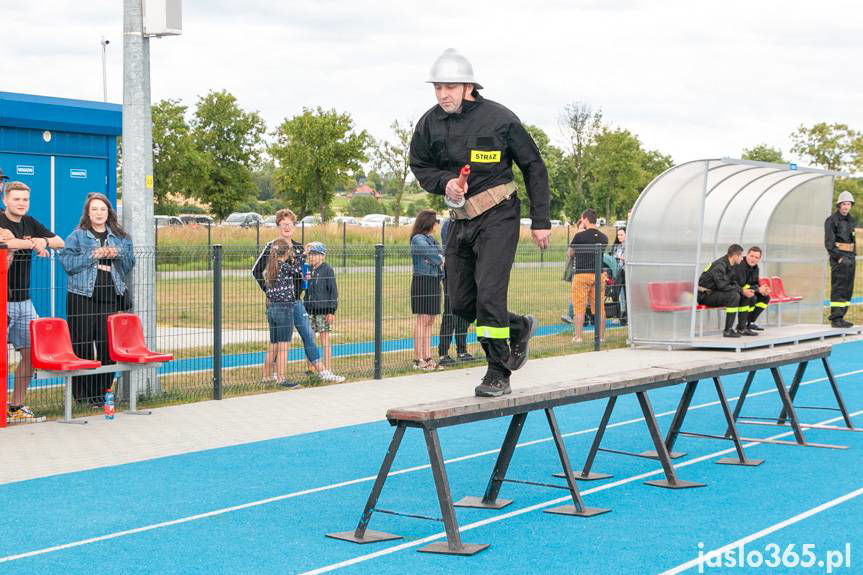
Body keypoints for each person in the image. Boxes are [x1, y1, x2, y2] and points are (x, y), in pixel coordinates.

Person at [409, 48, 549, 397]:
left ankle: (497, 371)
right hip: (460, 219)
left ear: (468, 86)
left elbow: (533, 165)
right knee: (458, 302)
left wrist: (540, 219)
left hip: (499, 216)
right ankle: (517, 325)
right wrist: (446, 183)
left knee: (489, 295)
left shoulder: (499, 119)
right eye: (438, 87)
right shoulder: (429, 123)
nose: (443, 94)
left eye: (450, 87)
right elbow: (420, 165)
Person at [252, 209, 345, 385]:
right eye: (283, 224)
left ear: (294, 225)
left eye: (290, 224)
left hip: (296, 300)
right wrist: (269, 291)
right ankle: (270, 375)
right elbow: (255, 271)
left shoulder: (300, 247)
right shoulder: (273, 246)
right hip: (279, 303)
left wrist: (305, 281)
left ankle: (322, 371)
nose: (287, 227)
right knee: (278, 341)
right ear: (278, 226)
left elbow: (303, 271)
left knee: (308, 334)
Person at [59, 193, 135, 406]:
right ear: (88, 213)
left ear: (109, 212)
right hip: (81, 296)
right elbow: (67, 263)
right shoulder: (78, 235)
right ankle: (82, 397)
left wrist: (116, 253)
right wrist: (94, 255)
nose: (99, 213)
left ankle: (100, 394)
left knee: (106, 346)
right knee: (81, 345)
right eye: (94, 209)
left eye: (102, 209)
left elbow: (129, 264)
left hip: (110, 295)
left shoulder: (121, 237)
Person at [0, 181, 65, 423]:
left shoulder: (30, 222)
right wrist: (32, 243)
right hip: (2, 300)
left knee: (30, 354)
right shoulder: (0, 220)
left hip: (23, 301)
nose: (21, 203)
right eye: (16, 199)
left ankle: (15, 405)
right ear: (6, 200)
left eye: (25, 199)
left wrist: (44, 242)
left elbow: (60, 241)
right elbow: (5, 243)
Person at [409, 210, 444, 371]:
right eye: (436, 221)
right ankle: (418, 358)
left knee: (430, 320)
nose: (437, 224)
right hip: (422, 280)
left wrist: (439, 258)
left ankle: (428, 356)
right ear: (428, 222)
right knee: (422, 319)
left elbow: (440, 256)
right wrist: (439, 259)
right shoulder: (418, 239)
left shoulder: (431, 239)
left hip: (434, 280)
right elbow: (437, 258)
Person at [569, 209, 609, 343]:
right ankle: (601, 337)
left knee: (579, 307)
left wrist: (578, 232)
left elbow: (570, 253)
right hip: (598, 274)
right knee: (599, 308)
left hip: (582, 274)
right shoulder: (604, 237)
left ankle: (578, 337)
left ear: (585, 219)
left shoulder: (579, 236)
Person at [437, 218, 473, 366]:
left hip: (466, 275)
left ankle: (462, 350)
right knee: (450, 313)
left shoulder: (471, 222)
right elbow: (453, 246)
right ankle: (443, 353)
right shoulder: (449, 224)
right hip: (451, 275)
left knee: (464, 313)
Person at [698, 244, 753, 338]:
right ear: (735, 256)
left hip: (715, 292)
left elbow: (733, 282)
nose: (742, 259)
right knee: (734, 296)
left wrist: (743, 290)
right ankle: (728, 331)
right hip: (705, 295)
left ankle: (742, 328)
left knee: (744, 295)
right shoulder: (720, 265)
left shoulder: (730, 265)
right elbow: (722, 285)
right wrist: (740, 290)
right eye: (741, 256)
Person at [303, 241, 338, 372]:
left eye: (315, 254)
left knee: (324, 341)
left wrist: (331, 311)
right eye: (310, 254)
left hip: (323, 311)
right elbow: (304, 289)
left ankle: (327, 369)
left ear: (323, 256)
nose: (312, 257)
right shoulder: (307, 269)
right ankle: (311, 368)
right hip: (309, 310)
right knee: (309, 340)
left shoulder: (327, 270)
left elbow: (333, 292)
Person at [825, 191, 856, 328]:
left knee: (848, 288)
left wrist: (852, 256)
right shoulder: (832, 220)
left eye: (848, 204)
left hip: (850, 257)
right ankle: (836, 318)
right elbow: (829, 243)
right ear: (839, 205)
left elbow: (853, 239)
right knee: (839, 287)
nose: (846, 207)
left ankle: (842, 317)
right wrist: (839, 257)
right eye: (844, 204)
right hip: (839, 257)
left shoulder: (851, 220)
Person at [732, 246, 771, 332]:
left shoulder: (756, 268)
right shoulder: (740, 265)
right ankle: (742, 325)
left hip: (749, 291)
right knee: (752, 297)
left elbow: (755, 284)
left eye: (756, 257)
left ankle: (750, 323)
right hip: (737, 292)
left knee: (765, 297)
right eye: (751, 256)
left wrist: (763, 290)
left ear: (759, 259)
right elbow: (741, 285)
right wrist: (757, 290)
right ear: (747, 255)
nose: (753, 259)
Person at [611, 226, 627, 325]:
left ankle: (626, 317)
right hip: (617, 272)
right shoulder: (616, 246)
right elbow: (612, 257)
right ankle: (616, 315)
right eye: (618, 235)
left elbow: (627, 258)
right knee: (615, 293)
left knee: (626, 295)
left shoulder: (629, 245)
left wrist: (619, 257)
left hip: (626, 271)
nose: (619, 236)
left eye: (621, 235)